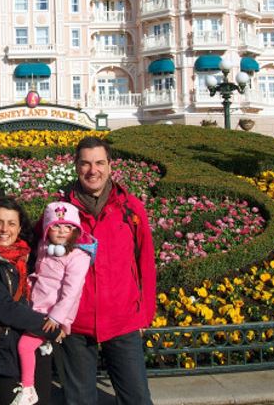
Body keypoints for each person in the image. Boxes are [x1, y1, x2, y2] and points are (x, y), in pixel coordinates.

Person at [54, 136, 156, 405]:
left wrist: (144, 314)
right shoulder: (60, 212)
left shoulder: (131, 208)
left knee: (137, 398)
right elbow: (48, 265)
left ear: (110, 166)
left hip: (123, 318)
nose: (93, 170)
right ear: (76, 166)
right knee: (79, 400)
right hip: (77, 321)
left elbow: (145, 262)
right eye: (86, 163)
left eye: (99, 162)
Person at [0, 196, 62, 405]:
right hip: (4, 354)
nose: (4, 229)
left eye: (11, 223)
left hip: (35, 348)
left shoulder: (25, 257)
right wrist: (50, 326)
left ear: (19, 228)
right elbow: (4, 308)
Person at [12, 202, 92, 405]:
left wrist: (57, 318)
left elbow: (71, 291)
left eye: (68, 227)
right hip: (38, 307)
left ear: (75, 230)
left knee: (23, 346)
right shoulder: (44, 247)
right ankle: (45, 344)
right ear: (48, 228)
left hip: (51, 316)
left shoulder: (78, 256)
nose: (62, 231)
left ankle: (28, 388)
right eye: (56, 226)